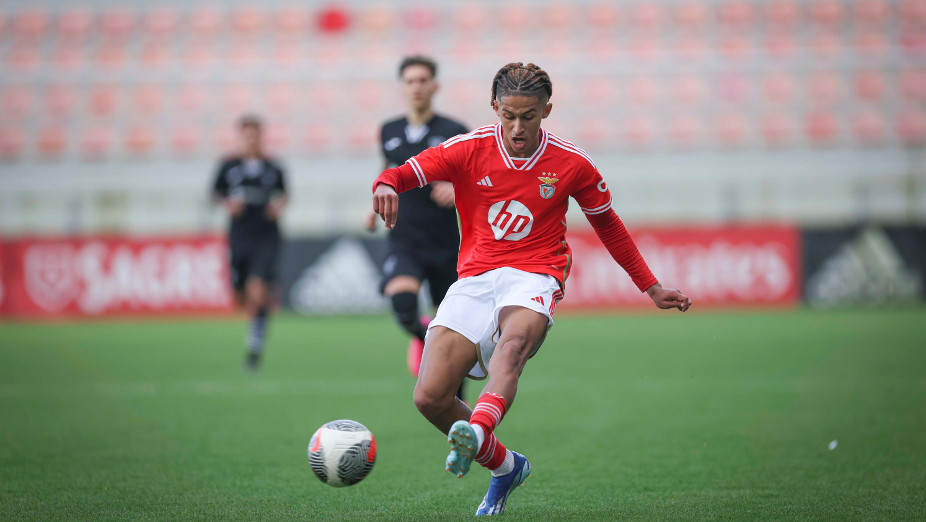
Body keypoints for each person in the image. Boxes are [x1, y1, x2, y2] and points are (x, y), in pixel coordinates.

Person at [371, 63, 692, 516]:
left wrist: (651, 286)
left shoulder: (572, 163)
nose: (517, 128)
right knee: (429, 397)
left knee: (513, 345)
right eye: (508, 115)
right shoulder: (469, 149)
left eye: (529, 116)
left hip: (536, 274)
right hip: (476, 278)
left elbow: (609, 227)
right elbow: (404, 173)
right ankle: (506, 467)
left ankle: (478, 430)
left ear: (547, 110)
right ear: (494, 108)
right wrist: (385, 182)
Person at [366, 56, 468, 401]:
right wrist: (375, 203)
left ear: (435, 86)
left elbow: (477, 179)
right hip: (404, 237)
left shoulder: (455, 130)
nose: (417, 86)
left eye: (423, 80)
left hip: (446, 243)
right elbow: (387, 170)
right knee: (403, 303)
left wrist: (458, 190)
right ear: (402, 88)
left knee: (455, 334)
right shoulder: (389, 130)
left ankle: (460, 410)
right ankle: (422, 335)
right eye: (410, 81)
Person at [212, 115, 288, 372]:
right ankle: (256, 319)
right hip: (240, 235)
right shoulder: (228, 166)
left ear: (261, 136)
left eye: (255, 134)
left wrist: (278, 206)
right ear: (240, 137)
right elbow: (215, 193)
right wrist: (227, 205)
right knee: (241, 294)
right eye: (246, 134)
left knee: (258, 290)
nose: (251, 139)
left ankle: (255, 345)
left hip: (267, 235)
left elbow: (284, 194)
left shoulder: (273, 167)